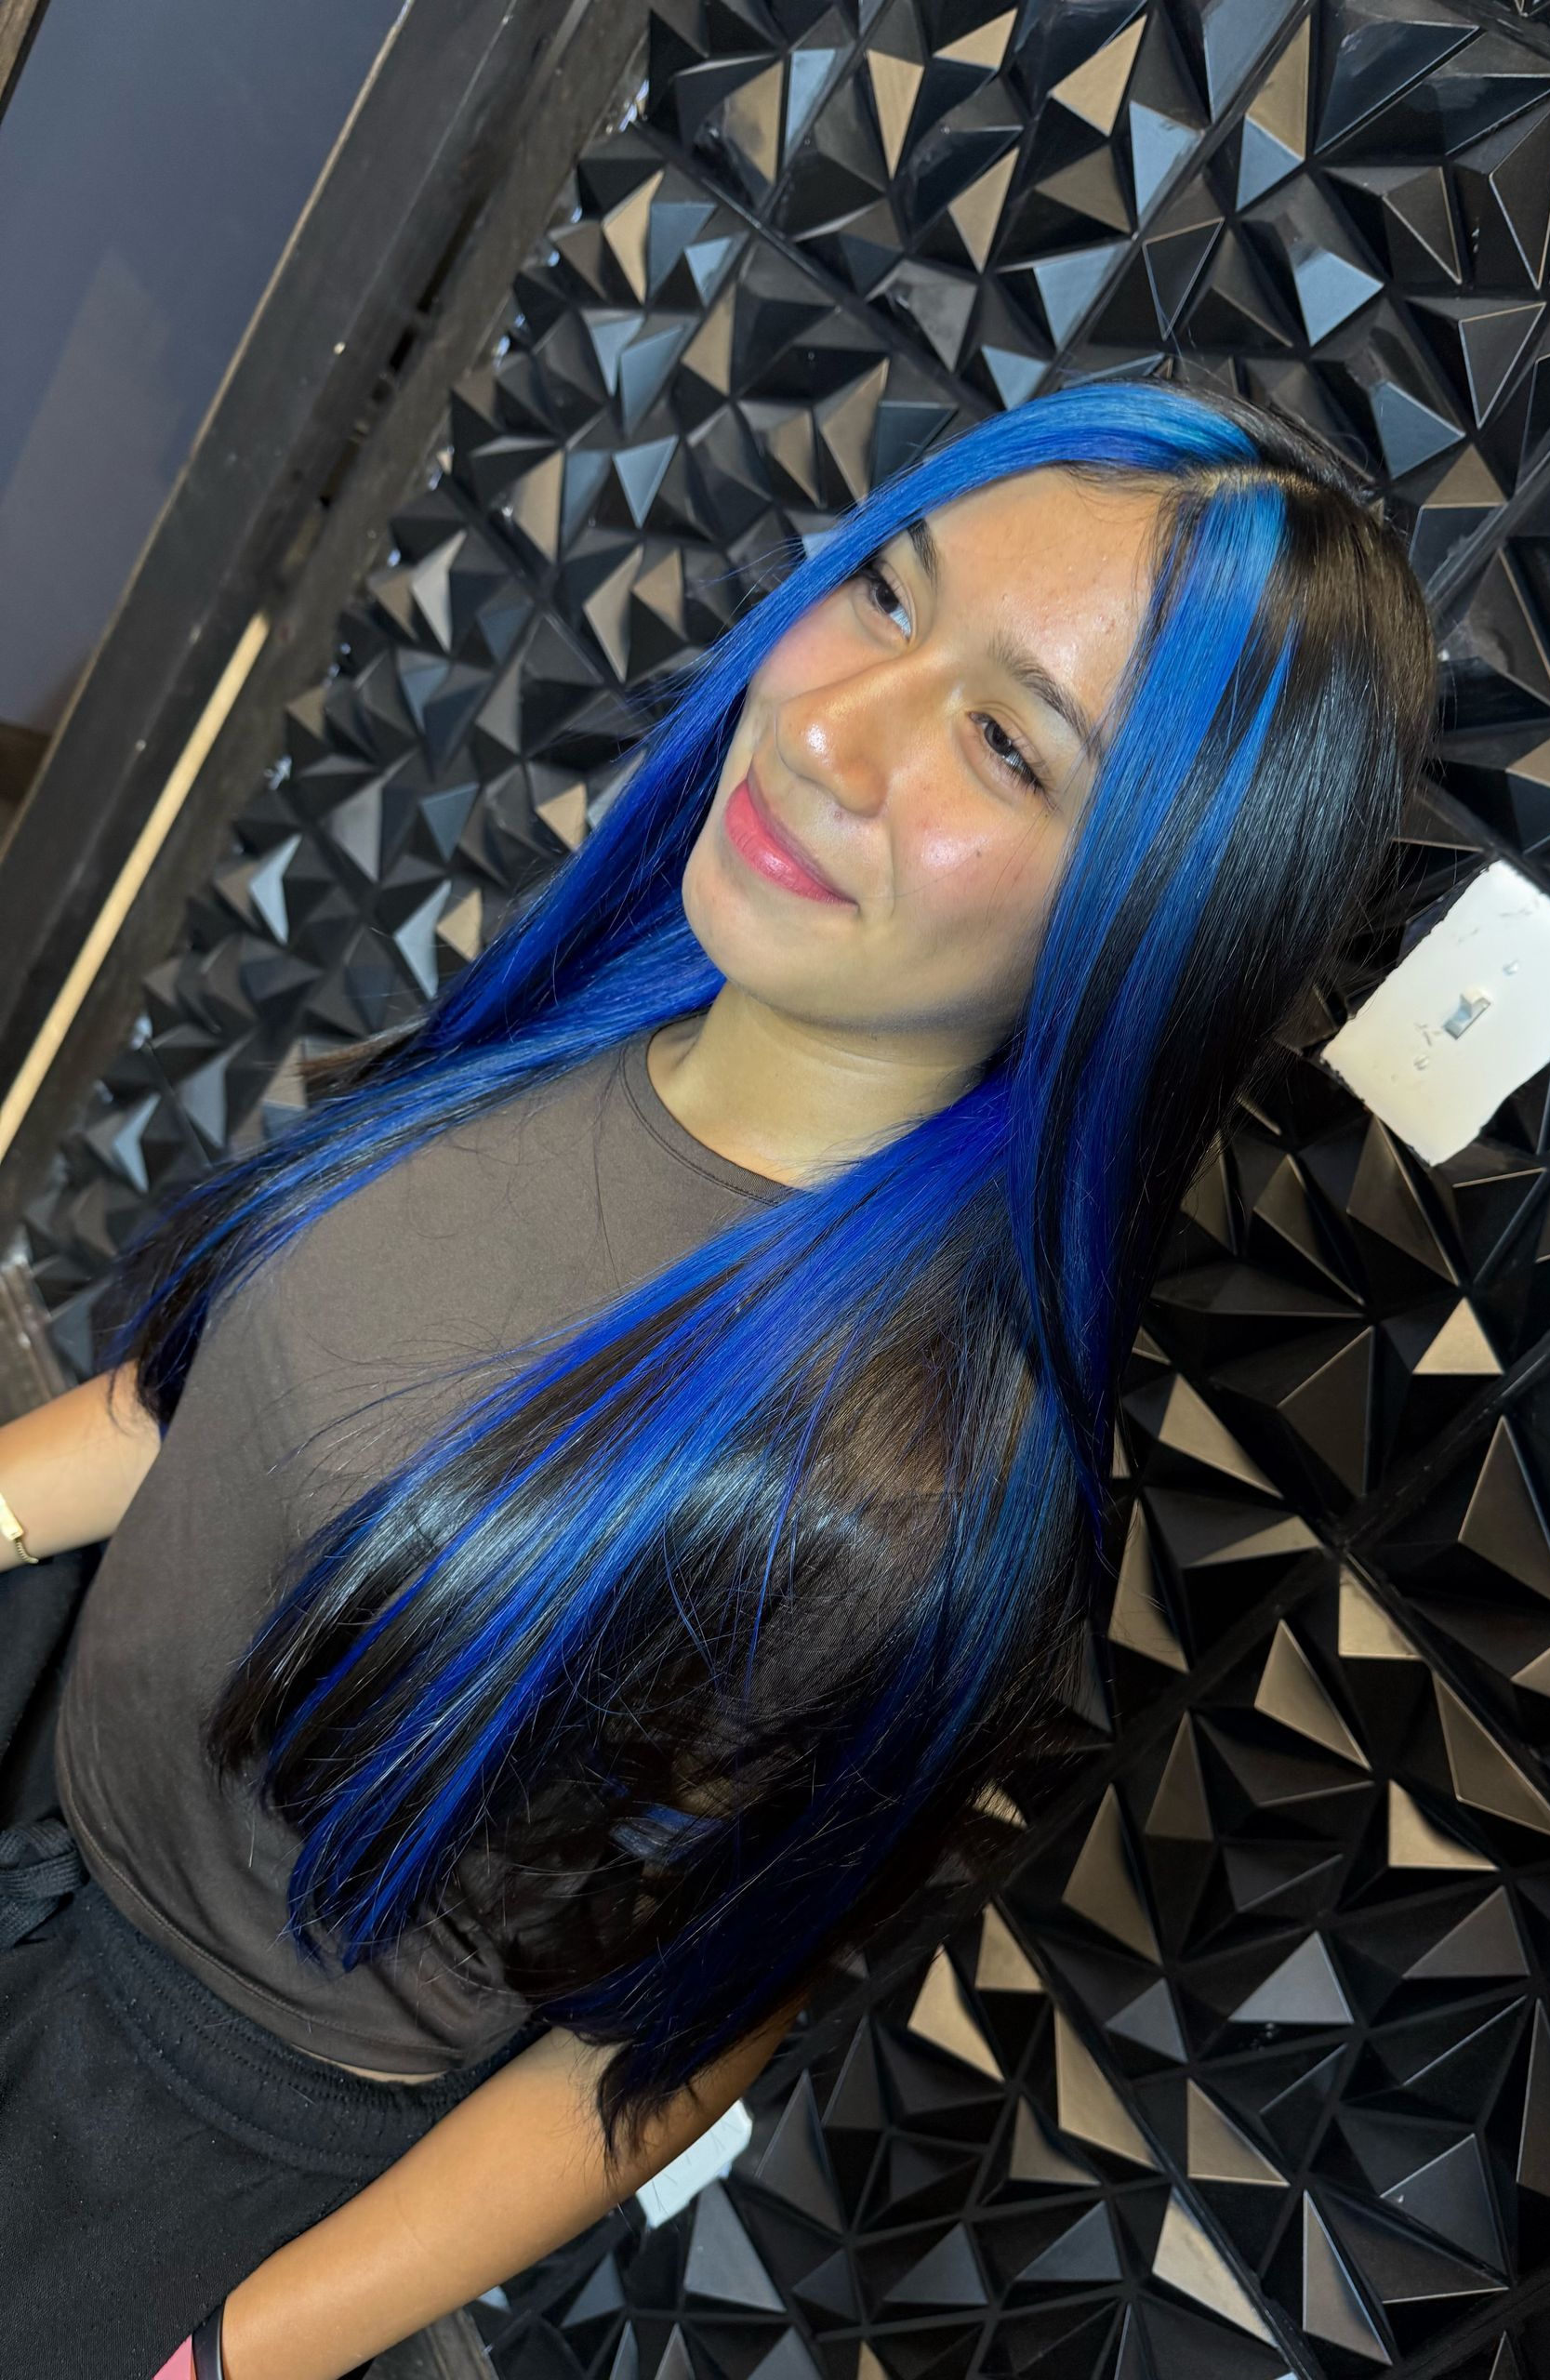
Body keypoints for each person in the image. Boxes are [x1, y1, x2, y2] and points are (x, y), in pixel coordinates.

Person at [0, 369, 1437, 2378]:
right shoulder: (617, 997)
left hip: (148, 2130)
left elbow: (647, 2047)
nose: (826, 718)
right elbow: (201, 1379)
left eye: (1004, 741)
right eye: (881, 594)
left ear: (1145, 919)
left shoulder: (900, 1486)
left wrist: (223, 2354)